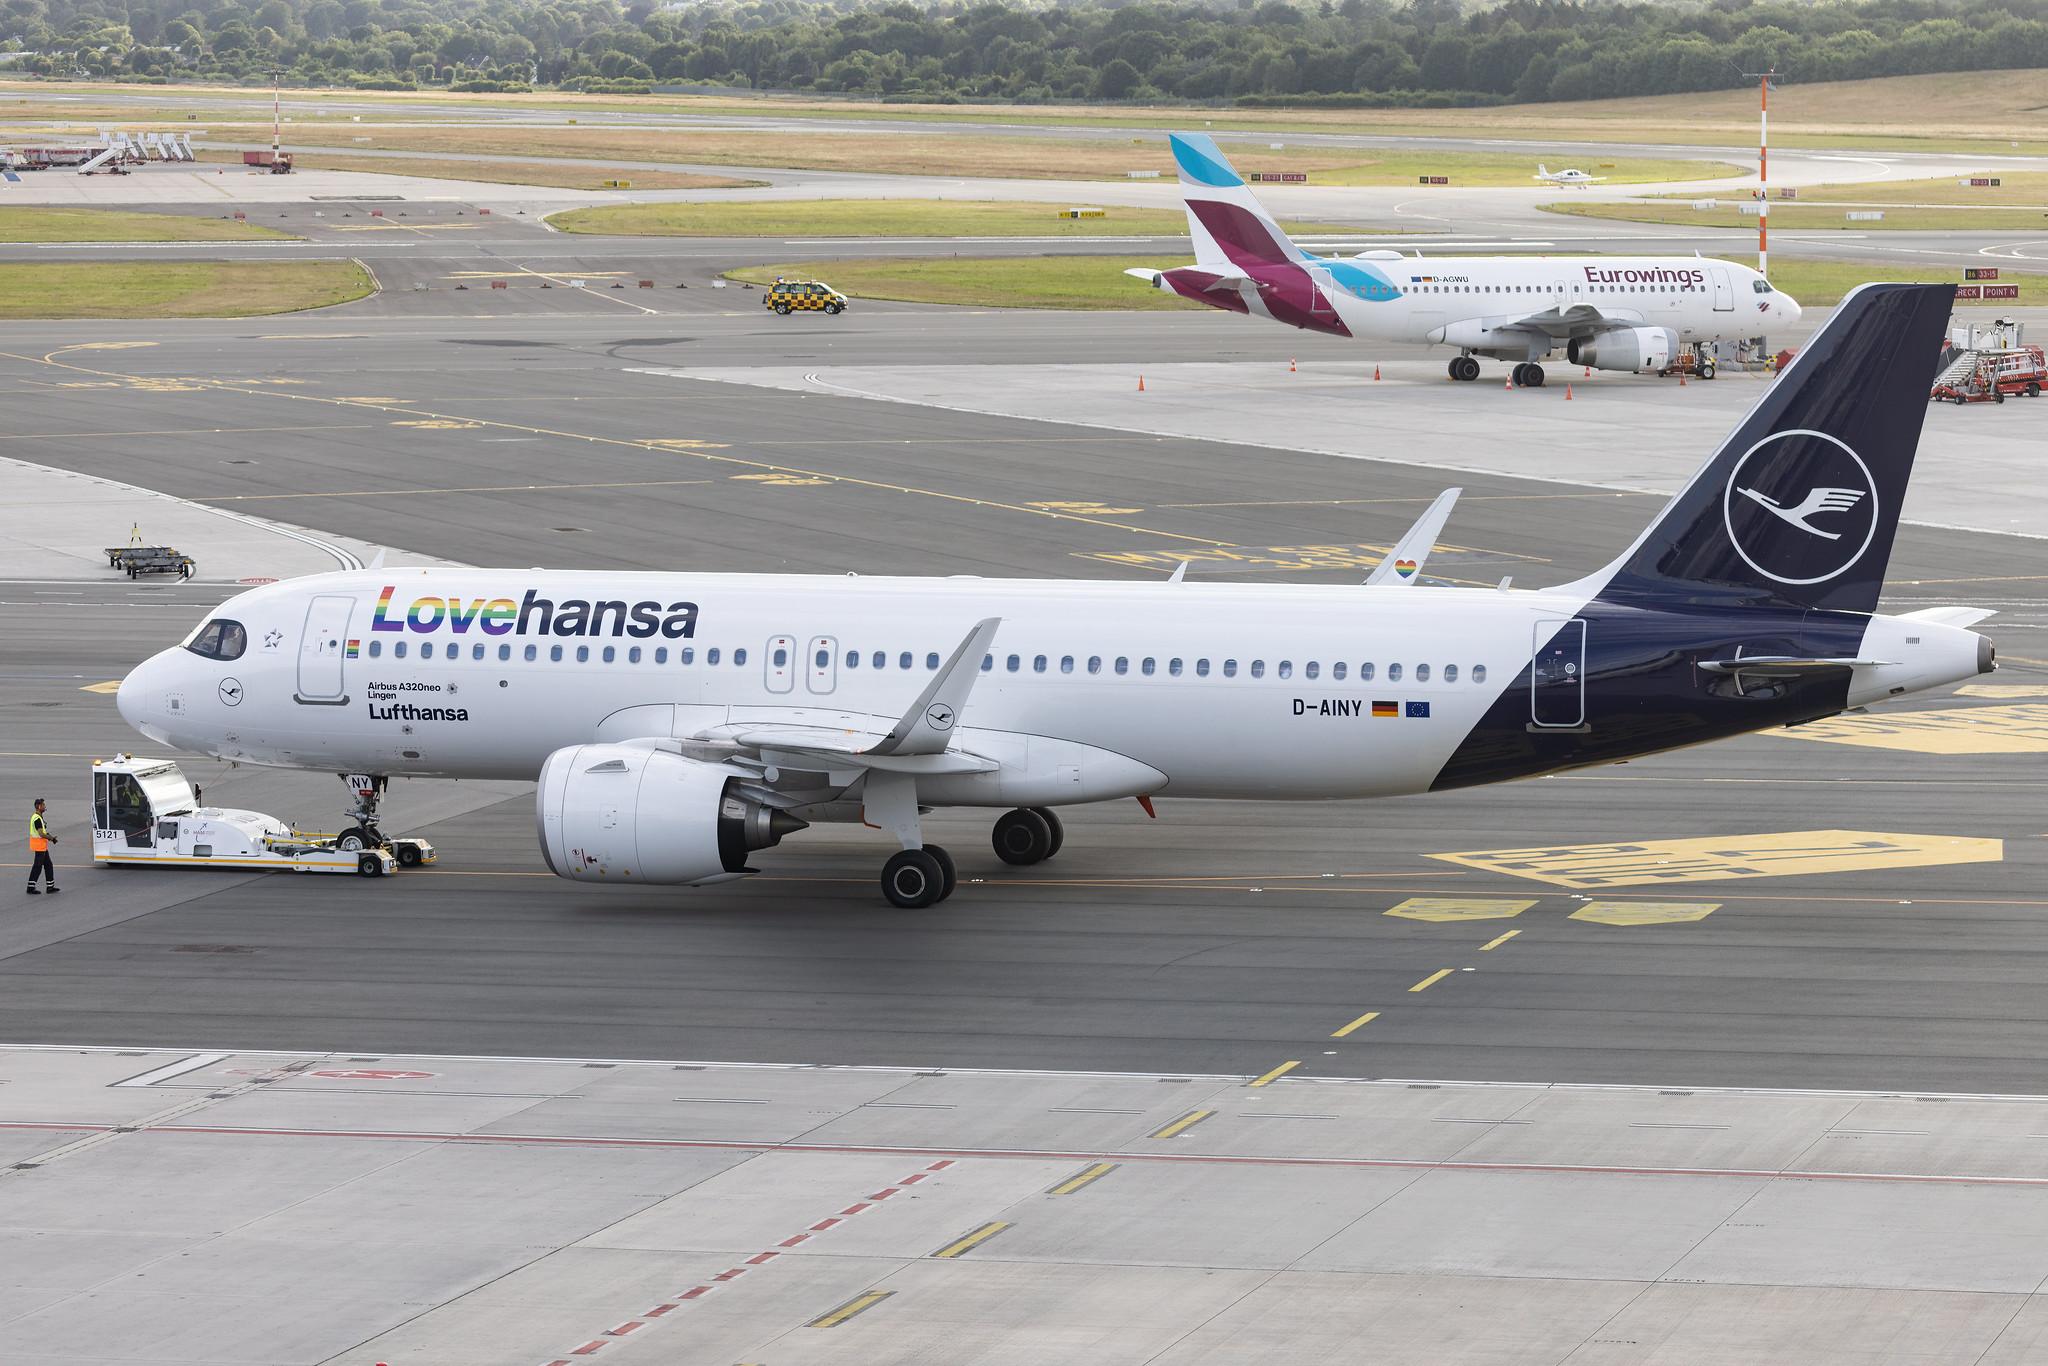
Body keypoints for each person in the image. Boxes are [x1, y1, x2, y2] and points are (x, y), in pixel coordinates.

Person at [27, 798, 58, 895]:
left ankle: (50, 886)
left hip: (42, 846)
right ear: (39, 806)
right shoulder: (37, 818)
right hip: (39, 846)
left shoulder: (38, 817)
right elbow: (41, 833)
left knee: (48, 865)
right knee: (37, 867)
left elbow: (43, 831)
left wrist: (50, 837)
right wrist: (51, 838)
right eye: (43, 805)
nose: (45, 806)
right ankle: (30, 887)